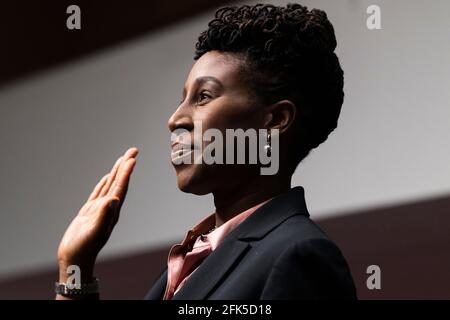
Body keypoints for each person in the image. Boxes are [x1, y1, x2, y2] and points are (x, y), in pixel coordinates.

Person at [56, 3, 357, 300]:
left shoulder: (300, 257)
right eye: (183, 98)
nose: (175, 119)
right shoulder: (192, 261)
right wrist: (76, 268)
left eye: (203, 96)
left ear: (275, 120)